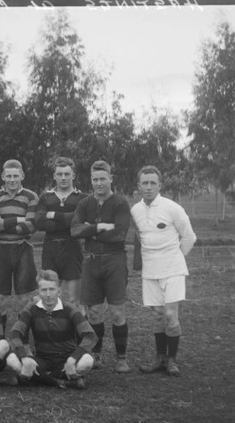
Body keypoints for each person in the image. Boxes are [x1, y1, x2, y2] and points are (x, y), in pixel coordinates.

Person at [131, 166, 197, 376]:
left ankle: (172, 360)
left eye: (153, 183)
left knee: (170, 315)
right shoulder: (135, 210)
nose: (148, 187)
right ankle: (159, 358)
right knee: (158, 316)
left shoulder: (172, 208)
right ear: (138, 186)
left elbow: (189, 237)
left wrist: (176, 259)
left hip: (173, 269)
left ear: (160, 185)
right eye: (145, 183)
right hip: (150, 271)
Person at [71, 160, 132, 373]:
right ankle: (96, 355)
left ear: (110, 178)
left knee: (117, 311)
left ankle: (121, 357)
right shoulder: (84, 203)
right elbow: (75, 230)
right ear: (91, 180)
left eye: (102, 179)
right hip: (91, 261)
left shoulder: (120, 203)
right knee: (94, 312)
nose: (99, 183)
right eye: (95, 179)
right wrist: (100, 226)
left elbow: (119, 235)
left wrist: (91, 229)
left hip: (115, 260)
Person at [6, 270, 98, 389]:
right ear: (38, 292)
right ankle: (61, 381)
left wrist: (73, 358)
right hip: (42, 359)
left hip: (66, 358)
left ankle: (37, 379)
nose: (48, 294)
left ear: (59, 291)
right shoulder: (31, 309)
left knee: (87, 361)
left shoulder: (70, 309)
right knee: (11, 359)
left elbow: (91, 336)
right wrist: (25, 357)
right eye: (44, 290)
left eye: (52, 289)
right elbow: (14, 334)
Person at [0, 159, 38, 328]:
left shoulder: (31, 196)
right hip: (0, 249)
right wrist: (18, 220)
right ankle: (0, 335)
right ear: (2, 176)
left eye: (15, 176)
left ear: (22, 176)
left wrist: (2, 222)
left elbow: (30, 227)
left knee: (24, 297)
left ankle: (23, 336)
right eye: (8, 176)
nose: (12, 179)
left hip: (22, 248)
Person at [34, 157, 87, 306]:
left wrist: (53, 215)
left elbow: (79, 222)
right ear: (54, 176)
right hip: (50, 248)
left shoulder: (82, 198)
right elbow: (39, 222)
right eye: (60, 174)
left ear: (73, 175)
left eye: (67, 174)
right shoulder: (46, 197)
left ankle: (77, 328)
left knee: (74, 300)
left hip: (73, 247)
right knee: (50, 296)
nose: (63, 178)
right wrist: (68, 222)